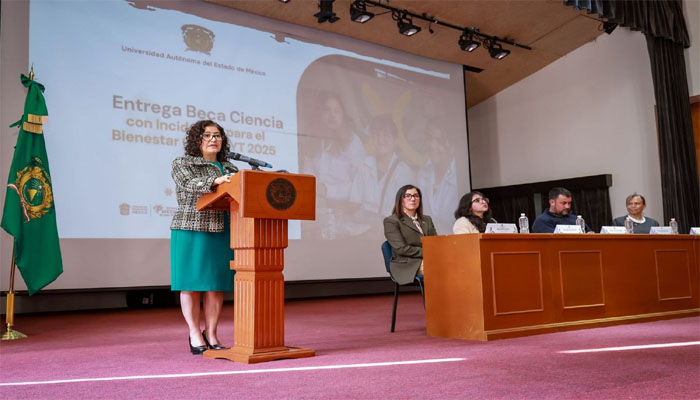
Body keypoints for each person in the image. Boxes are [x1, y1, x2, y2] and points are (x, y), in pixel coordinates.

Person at [171, 120, 238, 355]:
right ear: (196, 140)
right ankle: (194, 333)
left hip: (222, 229)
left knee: (214, 285)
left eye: (217, 135)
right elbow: (187, 183)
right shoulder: (183, 163)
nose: (213, 139)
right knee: (190, 284)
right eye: (207, 135)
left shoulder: (230, 167)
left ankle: (211, 333)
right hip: (191, 228)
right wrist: (214, 181)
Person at [300, 92, 366, 239]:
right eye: (327, 110)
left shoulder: (353, 142)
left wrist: (327, 190)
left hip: (346, 216)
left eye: (337, 111)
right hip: (318, 214)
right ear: (319, 113)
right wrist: (315, 188)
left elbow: (360, 186)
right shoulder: (313, 139)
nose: (332, 116)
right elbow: (308, 174)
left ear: (343, 115)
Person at [351, 115, 414, 220]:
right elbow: (355, 202)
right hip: (362, 224)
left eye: (386, 135)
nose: (380, 140)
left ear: (395, 140)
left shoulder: (403, 173)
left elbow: (400, 215)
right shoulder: (364, 165)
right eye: (376, 135)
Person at [383, 185, 438, 285]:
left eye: (416, 196)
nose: (413, 199)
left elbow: (435, 242)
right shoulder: (391, 221)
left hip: (429, 259)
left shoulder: (427, 219)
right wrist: (429, 252)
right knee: (443, 267)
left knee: (454, 264)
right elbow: (401, 249)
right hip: (407, 264)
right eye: (408, 196)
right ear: (400, 200)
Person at [417, 118, 458, 235]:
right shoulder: (423, 173)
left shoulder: (459, 175)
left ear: (451, 145)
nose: (432, 145)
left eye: (439, 141)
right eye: (429, 139)